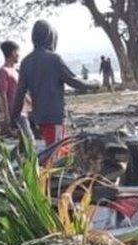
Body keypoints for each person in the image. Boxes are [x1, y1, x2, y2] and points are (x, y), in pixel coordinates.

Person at [11, 20, 97, 149]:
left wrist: (13, 118)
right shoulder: (54, 59)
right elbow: (74, 81)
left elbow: (19, 94)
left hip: (40, 117)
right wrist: (93, 84)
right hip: (55, 116)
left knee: (59, 149)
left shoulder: (25, 62)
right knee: (56, 155)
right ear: (50, 37)